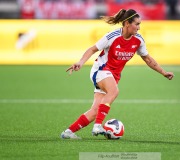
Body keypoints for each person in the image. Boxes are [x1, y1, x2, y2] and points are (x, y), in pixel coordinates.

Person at [60, 9, 174, 139]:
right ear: (127, 23)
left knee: (95, 110)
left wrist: (163, 72)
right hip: (101, 69)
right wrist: (80, 62)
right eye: (136, 24)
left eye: (139, 24)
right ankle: (98, 126)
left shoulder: (138, 40)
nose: (139, 27)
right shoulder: (112, 36)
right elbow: (92, 49)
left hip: (113, 76)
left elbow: (148, 59)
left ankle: (68, 132)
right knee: (114, 92)